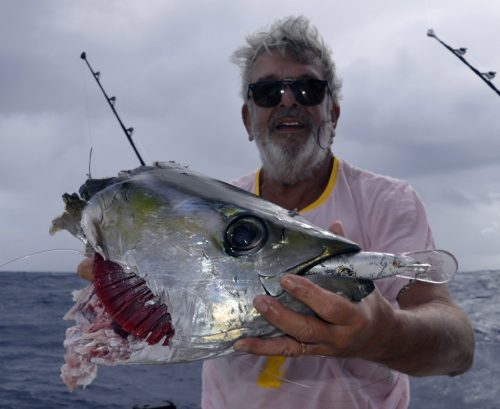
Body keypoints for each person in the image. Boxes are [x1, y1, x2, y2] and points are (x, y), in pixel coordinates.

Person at [78, 16, 474, 409]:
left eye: (307, 89)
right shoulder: (213, 208)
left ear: (333, 114)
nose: (288, 100)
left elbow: (458, 347)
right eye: (267, 92)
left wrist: (382, 334)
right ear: (248, 119)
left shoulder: (388, 201)